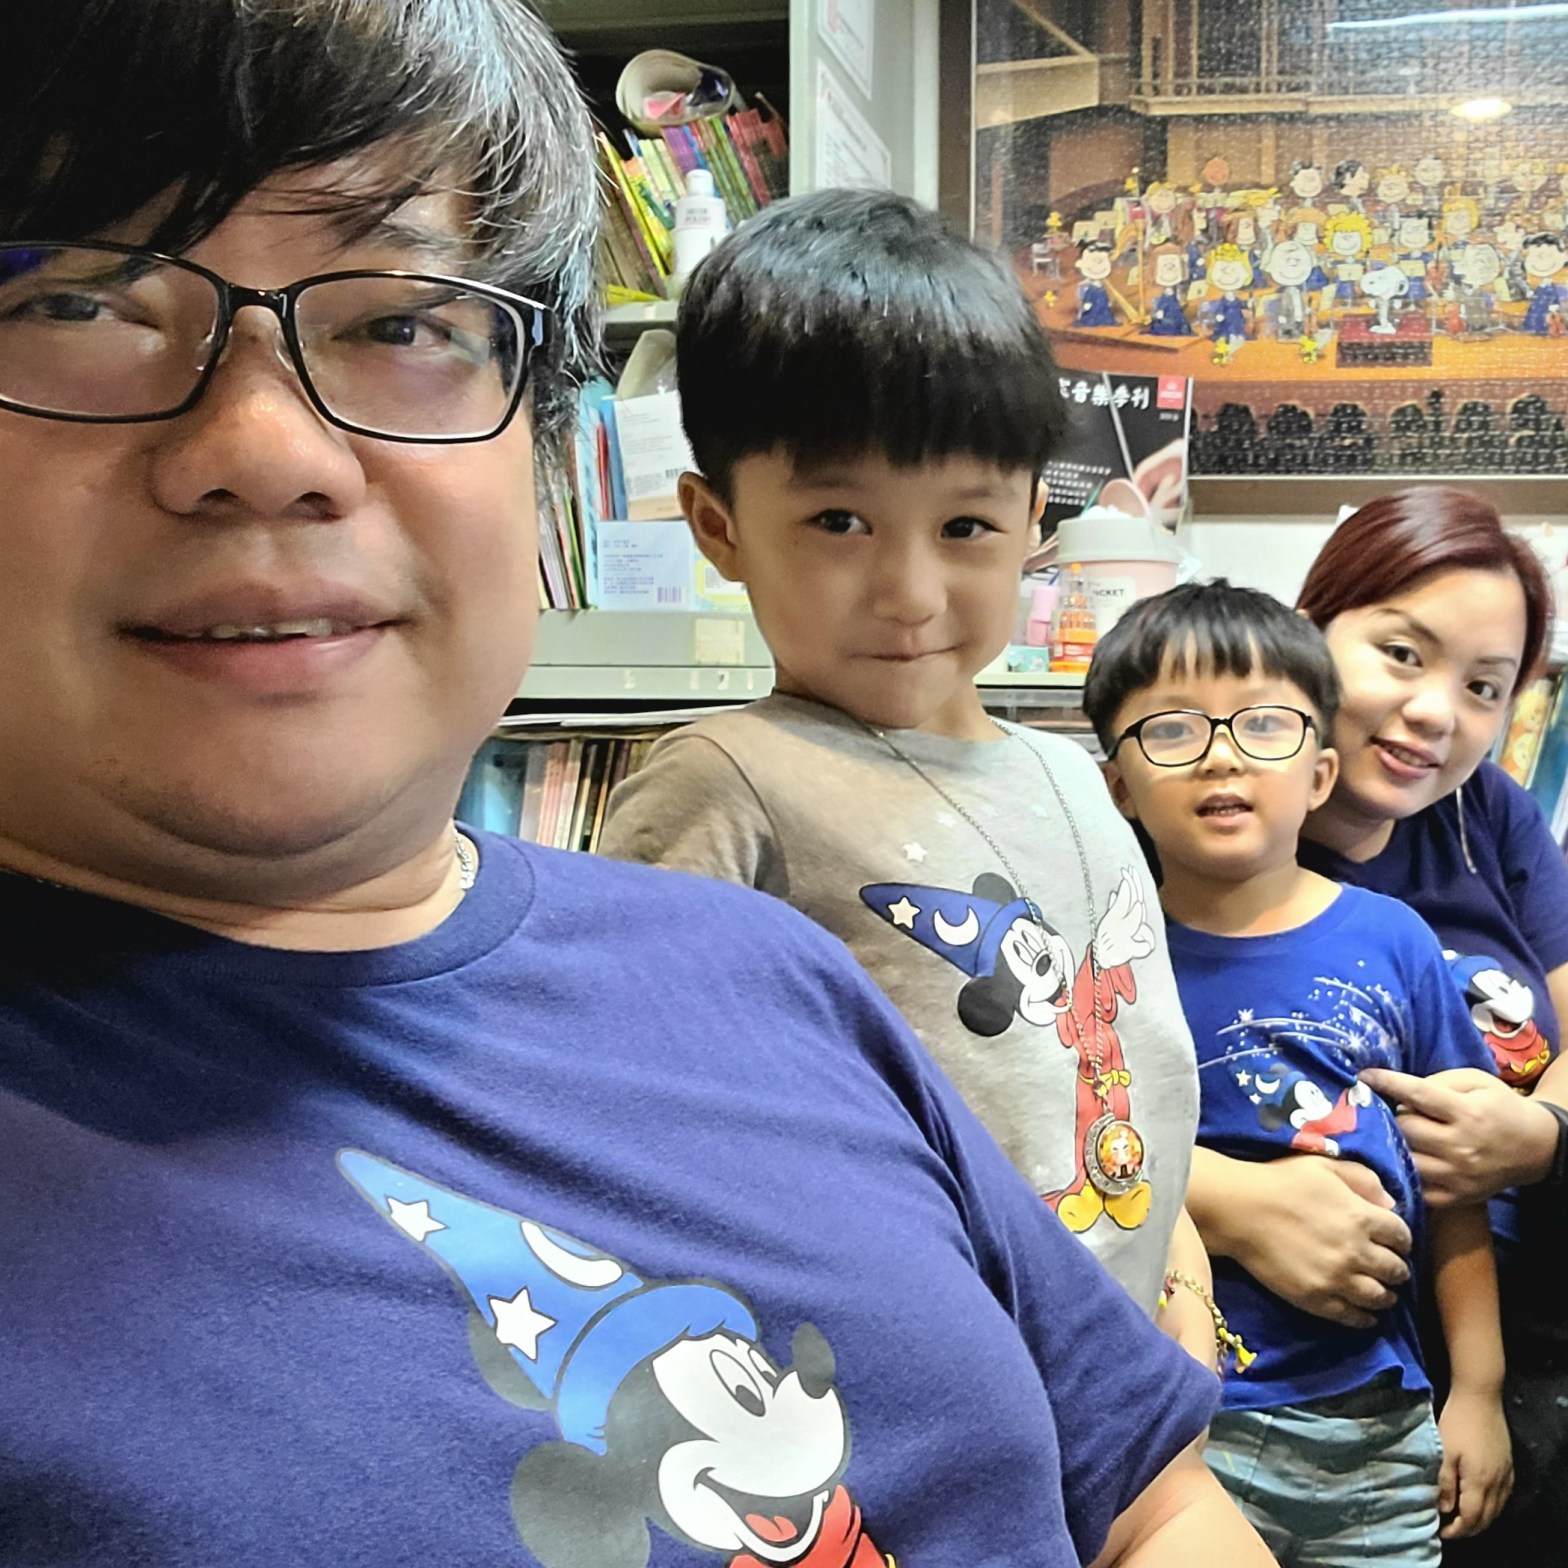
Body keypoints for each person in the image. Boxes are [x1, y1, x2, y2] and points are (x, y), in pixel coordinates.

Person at [0, 5, 1276, 1567]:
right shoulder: (726, 792)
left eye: (404, 322)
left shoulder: (773, 973)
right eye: (81, 301)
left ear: (543, 436)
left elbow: (1155, 1501)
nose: (270, 449)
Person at [597, 188, 1215, 1359]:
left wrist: (1180, 1293)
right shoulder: (725, 782)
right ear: (717, 525)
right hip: (914, 1393)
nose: (910, 594)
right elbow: (641, 1137)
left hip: (1116, 1370)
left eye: (964, 527)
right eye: (838, 520)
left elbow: (1127, 1073)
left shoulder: (1074, 777)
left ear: (1031, 516)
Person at [1084, 581, 1510, 1565]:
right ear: (1117, 787)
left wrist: (1479, 1389)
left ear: (1320, 772)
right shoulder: (1094, 963)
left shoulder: (1394, 939)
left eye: (1263, 723)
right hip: (1171, 1424)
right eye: (1172, 729)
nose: (1221, 753)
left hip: (1370, 1421)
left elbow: (1457, 1185)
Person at [1182, 489, 1568, 1563]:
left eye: (1483, 686)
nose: (1437, 712)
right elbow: (1048, 1091)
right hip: (1296, 1361)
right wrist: (1224, 1199)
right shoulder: (1205, 840)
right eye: (1402, 653)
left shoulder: (1483, 813)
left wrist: (1540, 1131)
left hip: (1508, 1323)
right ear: (1308, 630)